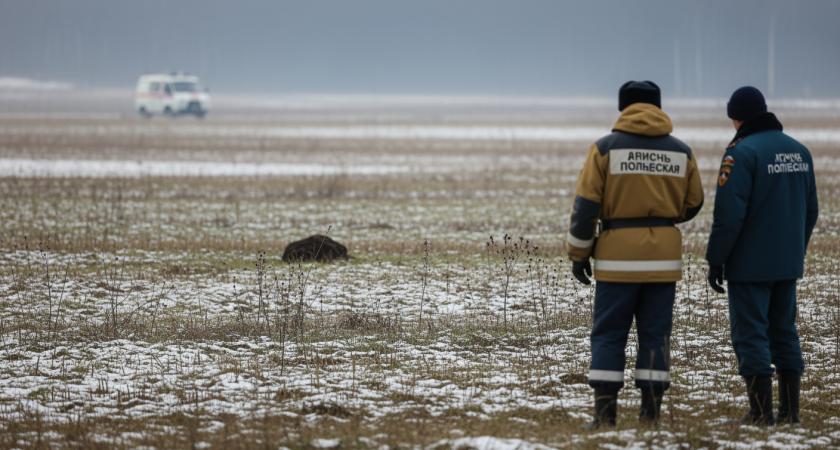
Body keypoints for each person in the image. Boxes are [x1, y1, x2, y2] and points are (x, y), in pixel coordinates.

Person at [567, 81, 704, 429]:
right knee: (656, 335)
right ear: (658, 107)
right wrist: (661, 221)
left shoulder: (604, 149)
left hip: (616, 263)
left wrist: (579, 255)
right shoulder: (682, 152)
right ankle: (651, 414)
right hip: (664, 263)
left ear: (622, 108)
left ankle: (604, 415)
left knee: (610, 334)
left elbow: (585, 210)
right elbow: (694, 203)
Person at [706, 86, 819, 426]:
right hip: (787, 263)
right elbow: (811, 210)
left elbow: (729, 216)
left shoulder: (741, 153)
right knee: (784, 330)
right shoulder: (800, 151)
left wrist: (716, 259)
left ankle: (760, 413)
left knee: (751, 333)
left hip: (750, 267)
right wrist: (794, 250)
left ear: (737, 118)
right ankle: (790, 413)